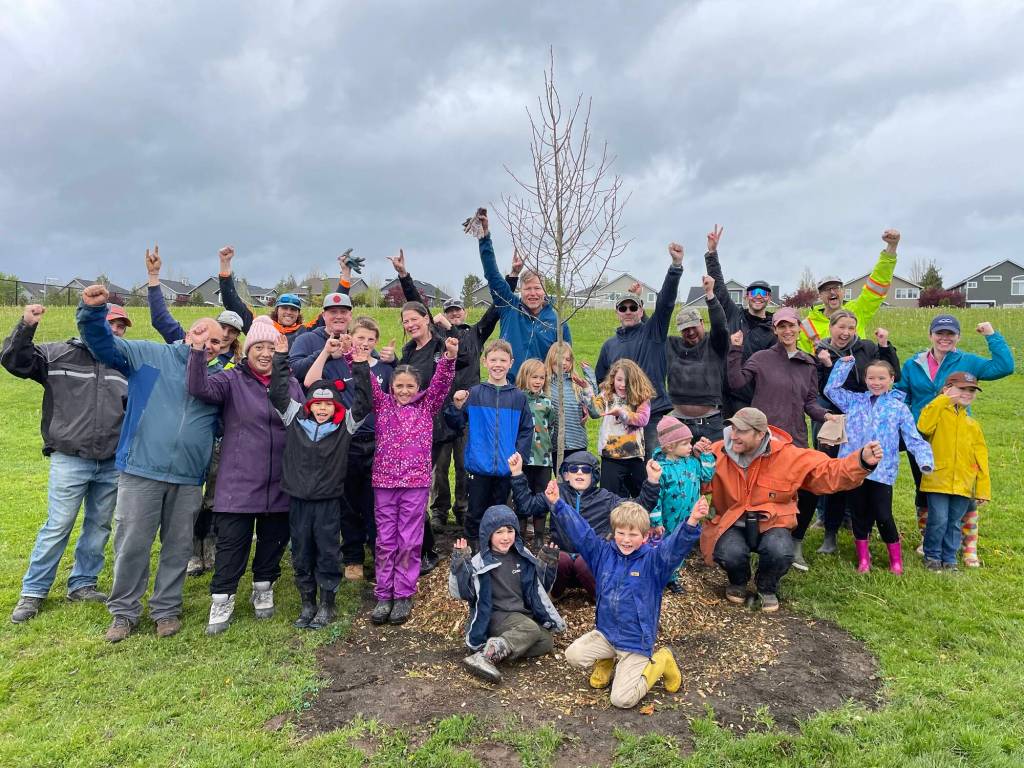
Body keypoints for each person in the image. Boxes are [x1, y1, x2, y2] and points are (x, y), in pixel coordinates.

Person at [77, 285, 224, 642]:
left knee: (177, 546)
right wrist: (92, 312)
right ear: (189, 332)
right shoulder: (149, 355)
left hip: (188, 477)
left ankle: (166, 609)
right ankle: (124, 612)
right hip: (142, 469)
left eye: (219, 342)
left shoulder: (217, 381)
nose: (210, 344)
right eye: (205, 333)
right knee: (132, 543)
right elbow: (102, 346)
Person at [3, 302, 129, 624]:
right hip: (69, 458)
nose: (116, 331)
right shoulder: (57, 354)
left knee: (99, 525)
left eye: (121, 326)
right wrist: (26, 326)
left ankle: (83, 583)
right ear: (93, 323)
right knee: (58, 525)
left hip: (111, 461)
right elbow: (15, 361)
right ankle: (33, 592)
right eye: (111, 323)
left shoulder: (124, 362)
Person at [186, 316, 304, 634]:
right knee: (232, 544)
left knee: (273, 539)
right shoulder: (231, 380)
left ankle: (263, 587)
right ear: (248, 350)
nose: (265, 354)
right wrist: (198, 352)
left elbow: (303, 424)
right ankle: (222, 597)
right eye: (259, 347)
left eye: (271, 348)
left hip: (281, 479)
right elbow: (199, 388)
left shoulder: (290, 383)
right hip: (239, 480)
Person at [699, 408, 882, 612]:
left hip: (773, 523)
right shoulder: (717, 451)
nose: (733, 436)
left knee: (781, 551)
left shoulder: (788, 455)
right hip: (731, 521)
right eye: (732, 429)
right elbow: (697, 483)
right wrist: (696, 459)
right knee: (728, 552)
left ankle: (766, 586)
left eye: (741, 431)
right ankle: (738, 581)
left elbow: (828, 472)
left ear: (760, 434)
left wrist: (861, 462)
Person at [550, 478, 710, 709]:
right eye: (621, 533)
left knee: (622, 700)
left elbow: (673, 549)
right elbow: (582, 533)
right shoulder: (603, 554)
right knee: (573, 655)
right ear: (613, 532)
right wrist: (557, 504)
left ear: (645, 537)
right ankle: (607, 660)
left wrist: (693, 520)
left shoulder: (653, 562)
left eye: (633, 535)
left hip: (635, 642)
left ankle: (661, 660)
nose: (626, 539)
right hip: (607, 634)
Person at [384, 248, 510, 532]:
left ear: (463, 312)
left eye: (457, 310)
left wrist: (511, 277)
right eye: (449, 311)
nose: (453, 314)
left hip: (468, 409)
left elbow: (496, 310)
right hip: (437, 411)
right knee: (440, 466)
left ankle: (463, 509)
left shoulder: (473, 335)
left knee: (465, 462)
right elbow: (417, 309)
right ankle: (439, 510)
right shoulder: (436, 337)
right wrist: (404, 276)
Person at [268, 333, 372, 629]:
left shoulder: (345, 426)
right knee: (301, 551)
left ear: (336, 407)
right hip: (298, 500)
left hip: (328, 502)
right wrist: (280, 357)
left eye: (328, 404)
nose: (322, 408)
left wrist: (361, 366)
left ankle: (327, 604)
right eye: (317, 403)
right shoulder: (294, 419)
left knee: (327, 551)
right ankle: (307, 603)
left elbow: (363, 402)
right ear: (309, 405)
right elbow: (277, 393)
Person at [895, 315, 1013, 562]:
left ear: (958, 337)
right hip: (923, 438)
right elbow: (903, 395)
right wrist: (904, 423)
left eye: (950, 334)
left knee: (963, 491)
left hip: (956, 435)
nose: (944, 338)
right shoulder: (913, 364)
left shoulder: (966, 361)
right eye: (940, 333)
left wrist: (991, 334)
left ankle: (968, 545)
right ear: (930, 335)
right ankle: (929, 538)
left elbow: (1005, 366)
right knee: (925, 488)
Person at [728, 306, 836, 571]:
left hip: (795, 438)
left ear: (799, 328)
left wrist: (826, 416)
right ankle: (755, 542)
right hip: (764, 440)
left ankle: (795, 542)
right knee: (762, 491)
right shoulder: (762, 358)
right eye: (782, 326)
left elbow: (810, 402)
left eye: (792, 326)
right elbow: (736, 383)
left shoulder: (807, 362)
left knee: (808, 488)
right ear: (775, 330)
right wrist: (735, 351)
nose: (787, 331)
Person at [367, 335, 459, 626]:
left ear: (418, 388)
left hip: (415, 483)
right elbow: (364, 380)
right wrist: (353, 357)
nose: (404, 391)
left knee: (409, 540)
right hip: (384, 482)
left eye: (410, 386)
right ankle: (384, 594)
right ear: (391, 387)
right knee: (385, 540)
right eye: (399, 386)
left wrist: (448, 359)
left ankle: (404, 593)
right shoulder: (382, 406)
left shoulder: (426, 407)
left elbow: (442, 384)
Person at [824, 357, 933, 574]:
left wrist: (925, 461)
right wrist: (843, 365)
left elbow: (913, 438)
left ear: (892, 379)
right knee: (858, 514)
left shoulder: (898, 408)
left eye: (882, 378)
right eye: (871, 377)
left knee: (883, 515)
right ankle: (864, 558)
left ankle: (896, 560)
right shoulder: (853, 401)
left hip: (882, 471)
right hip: (854, 468)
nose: (876, 382)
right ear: (865, 379)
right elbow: (831, 389)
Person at [303, 317, 392, 581]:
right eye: (360, 337)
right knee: (348, 501)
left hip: (378, 443)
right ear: (349, 337)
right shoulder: (336, 364)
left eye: (370, 339)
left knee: (375, 502)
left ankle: (380, 555)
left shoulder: (385, 369)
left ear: (376, 342)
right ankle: (353, 557)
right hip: (345, 443)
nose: (364, 343)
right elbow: (310, 383)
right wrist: (326, 353)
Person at [509, 451, 660, 602]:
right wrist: (517, 474)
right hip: (563, 561)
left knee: (584, 561)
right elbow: (526, 506)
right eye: (573, 469)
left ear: (594, 475)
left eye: (585, 469)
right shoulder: (556, 494)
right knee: (560, 558)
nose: (579, 472)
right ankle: (555, 594)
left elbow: (640, 508)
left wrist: (652, 481)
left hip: (592, 566)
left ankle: (603, 598)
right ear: (566, 475)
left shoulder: (606, 498)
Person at [813, 312, 900, 555]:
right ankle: (830, 532)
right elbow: (822, 388)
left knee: (867, 474)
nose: (846, 332)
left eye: (851, 327)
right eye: (841, 327)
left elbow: (890, 374)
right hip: (833, 419)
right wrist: (828, 367)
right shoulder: (821, 351)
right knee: (835, 474)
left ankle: (861, 529)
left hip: (865, 417)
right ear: (831, 327)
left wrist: (885, 346)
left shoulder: (867, 348)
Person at [450, 506, 565, 684]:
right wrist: (460, 562)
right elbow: (463, 593)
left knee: (546, 642)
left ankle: (492, 650)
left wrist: (547, 563)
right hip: (495, 616)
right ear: (488, 534)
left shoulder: (522, 555)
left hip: (519, 616)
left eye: (510, 531)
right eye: (499, 532)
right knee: (531, 630)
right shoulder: (480, 562)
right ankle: (486, 657)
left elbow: (539, 587)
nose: (505, 537)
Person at [595, 242, 684, 457]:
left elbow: (665, 304)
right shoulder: (609, 346)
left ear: (641, 310)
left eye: (633, 307)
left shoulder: (653, 333)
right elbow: (601, 380)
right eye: (623, 308)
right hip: (621, 417)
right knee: (623, 469)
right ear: (617, 312)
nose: (628, 311)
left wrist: (675, 267)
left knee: (653, 470)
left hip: (653, 415)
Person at [446, 339, 534, 549]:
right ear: (485, 362)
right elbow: (456, 424)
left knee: (500, 512)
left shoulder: (518, 397)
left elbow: (526, 429)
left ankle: (496, 552)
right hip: (479, 467)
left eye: (503, 360)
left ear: (511, 363)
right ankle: (470, 552)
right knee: (475, 511)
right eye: (493, 359)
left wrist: (518, 456)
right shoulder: (474, 394)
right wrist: (456, 406)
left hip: (505, 469)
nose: (498, 364)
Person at [470, 207, 570, 376]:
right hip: (506, 386)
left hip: (538, 391)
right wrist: (485, 237)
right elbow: (492, 275)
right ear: (520, 290)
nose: (533, 293)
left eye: (537, 288)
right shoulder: (509, 307)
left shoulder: (557, 323)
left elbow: (566, 361)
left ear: (545, 291)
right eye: (528, 288)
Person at [917, 372, 990, 571]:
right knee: (938, 519)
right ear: (947, 389)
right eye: (961, 389)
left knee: (954, 522)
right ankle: (932, 556)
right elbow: (923, 426)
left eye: (971, 390)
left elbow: (981, 458)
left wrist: (983, 488)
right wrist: (943, 399)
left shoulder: (973, 425)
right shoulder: (937, 413)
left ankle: (949, 559)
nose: (966, 394)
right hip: (938, 479)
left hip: (964, 484)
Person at [701, 225, 776, 415]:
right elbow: (718, 287)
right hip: (726, 394)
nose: (758, 296)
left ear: (769, 298)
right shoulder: (734, 315)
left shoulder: (774, 328)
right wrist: (712, 253)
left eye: (763, 293)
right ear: (746, 296)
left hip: (755, 396)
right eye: (753, 292)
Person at [217, 245, 347, 344]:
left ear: (298, 313)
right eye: (285, 308)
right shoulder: (260, 326)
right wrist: (225, 264)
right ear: (277, 310)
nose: (289, 312)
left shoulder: (307, 330)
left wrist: (346, 273)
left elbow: (335, 307)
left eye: (293, 309)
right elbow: (232, 303)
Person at [797, 230, 899, 353]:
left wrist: (891, 248)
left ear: (843, 291)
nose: (832, 292)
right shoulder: (807, 325)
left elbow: (879, 282)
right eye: (826, 289)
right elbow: (804, 362)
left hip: (858, 370)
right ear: (820, 295)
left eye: (836, 288)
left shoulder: (857, 310)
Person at [648, 416, 717, 593]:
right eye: (685, 443)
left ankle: (672, 577)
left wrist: (706, 454)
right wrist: (656, 522)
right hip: (667, 520)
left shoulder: (693, 463)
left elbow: (707, 476)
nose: (690, 447)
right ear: (670, 446)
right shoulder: (660, 468)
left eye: (690, 442)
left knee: (681, 547)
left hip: (689, 518)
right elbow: (655, 496)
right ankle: (657, 575)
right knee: (663, 546)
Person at [143, 245, 239, 368]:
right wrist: (153, 276)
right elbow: (161, 319)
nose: (225, 334)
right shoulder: (189, 342)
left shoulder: (239, 363)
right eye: (222, 327)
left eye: (232, 331)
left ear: (237, 335)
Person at [665, 275, 730, 442]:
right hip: (679, 424)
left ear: (702, 323)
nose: (690, 332)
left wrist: (710, 294)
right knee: (680, 468)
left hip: (712, 424)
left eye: (693, 326)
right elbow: (653, 333)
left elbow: (720, 326)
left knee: (715, 467)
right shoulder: (672, 345)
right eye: (685, 329)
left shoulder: (716, 343)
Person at [592, 359, 654, 498]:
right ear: (613, 378)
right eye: (619, 380)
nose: (623, 385)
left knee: (642, 496)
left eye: (628, 381)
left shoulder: (641, 398)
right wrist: (587, 388)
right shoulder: (606, 396)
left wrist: (622, 413)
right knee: (608, 497)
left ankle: (643, 519)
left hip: (634, 455)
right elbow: (595, 412)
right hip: (611, 456)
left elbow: (642, 419)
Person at [513, 358, 555, 545]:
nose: (538, 381)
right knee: (521, 494)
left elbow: (551, 426)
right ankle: (520, 533)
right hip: (523, 457)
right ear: (525, 377)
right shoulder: (518, 399)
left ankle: (539, 535)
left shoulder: (547, 402)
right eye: (534, 377)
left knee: (542, 495)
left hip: (543, 458)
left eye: (542, 377)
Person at [544, 341, 600, 465]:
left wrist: (587, 386)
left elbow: (596, 413)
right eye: (560, 358)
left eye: (568, 359)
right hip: (555, 445)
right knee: (561, 482)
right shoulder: (544, 384)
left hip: (577, 444)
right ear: (551, 359)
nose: (563, 363)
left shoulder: (577, 384)